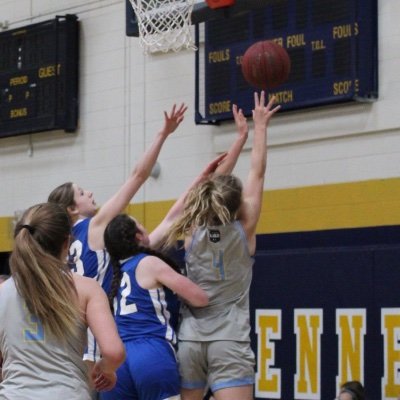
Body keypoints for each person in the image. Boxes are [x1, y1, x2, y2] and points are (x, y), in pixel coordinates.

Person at [48, 103, 187, 363]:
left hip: (68, 336)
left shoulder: (61, 243)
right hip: (97, 336)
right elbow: (138, 175)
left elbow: (156, 236)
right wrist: (163, 134)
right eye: (81, 193)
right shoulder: (95, 226)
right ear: (71, 209)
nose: (89, 193)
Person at [163, 91, 280, 400]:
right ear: (238, 204)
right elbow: (258, 172)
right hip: (229, 341)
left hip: (191, 341)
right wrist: (259, 128)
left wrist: (237, 139)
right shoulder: (246, 227)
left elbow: (212, 188)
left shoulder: (192, 230)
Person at [0, 202, 125, 399]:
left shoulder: (2, 292)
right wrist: (104, 369)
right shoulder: (85, 287)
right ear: (67, 243)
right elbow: (113, 352)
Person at [100, 213, 209, 400]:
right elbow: (200, 298)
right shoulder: (149, 263)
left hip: (116, 359)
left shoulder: (110, 273)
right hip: (151, 351)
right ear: (138, 237)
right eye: (140, 224)